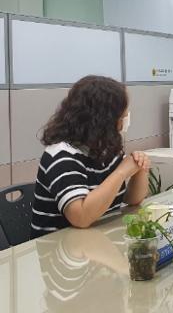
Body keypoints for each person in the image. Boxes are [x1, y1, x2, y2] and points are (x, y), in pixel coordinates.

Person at [30, 75, 149, 239]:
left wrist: (139, 167)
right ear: (104, 119)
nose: (126, 116)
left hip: (99, 239)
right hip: (62, 247)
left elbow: (132, 199)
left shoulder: (106, 147)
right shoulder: (61, 156)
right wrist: (121, 172)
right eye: (122, 115)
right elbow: (81, 217)